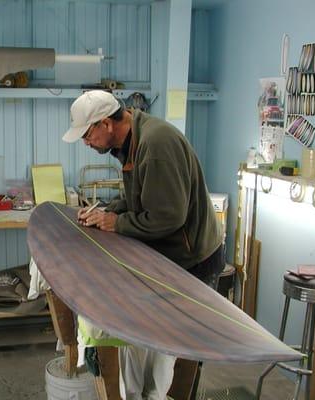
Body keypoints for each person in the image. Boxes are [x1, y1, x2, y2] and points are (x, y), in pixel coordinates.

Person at [62, 90, 225, 400]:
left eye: (87, 134)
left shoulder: (155, 144)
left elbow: (168, 217)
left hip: (195, 259)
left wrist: (117, 224)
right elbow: (142, 196)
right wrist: (110, 210)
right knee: (166, 342)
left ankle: (179, 393)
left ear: (107, 124)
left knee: (184, 346)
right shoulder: (130, 143)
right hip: (174, 255)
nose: (85, 142)